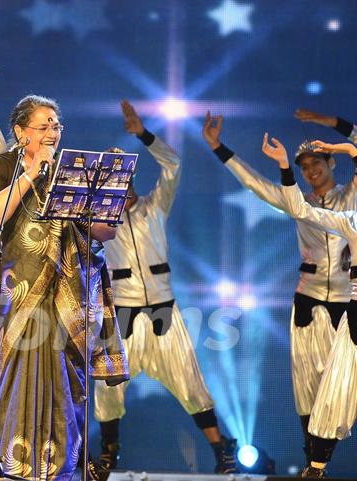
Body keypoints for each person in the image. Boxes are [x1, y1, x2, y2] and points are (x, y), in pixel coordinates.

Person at [0, 94, 129, 480]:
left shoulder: (74, 169)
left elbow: (104, 231)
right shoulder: (7, 166)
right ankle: (14, 467)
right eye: (43, 126)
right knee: (18, 379)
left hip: (68, 293)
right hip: (21, 294)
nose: (51, 133)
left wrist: (103, 205)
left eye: (55, 126)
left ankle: (63, 467)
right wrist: (31, 173)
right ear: (20, 131)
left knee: (65, 381)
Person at [202, 111, 357, 468]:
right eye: (304, 167)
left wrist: (329, 123)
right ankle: (313, 464)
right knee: (307, 388)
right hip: (309, 299)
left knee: (344, 387)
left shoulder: (350, 198)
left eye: (316, 162)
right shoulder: (296, 201)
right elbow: (255, 182)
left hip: (348, 302)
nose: (311, 170)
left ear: (331, 163)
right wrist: (217, 147)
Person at [93, 101, 236, 478]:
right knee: (108, 388)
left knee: (190, 384)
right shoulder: (96, 223)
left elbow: (173, 164)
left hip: (163, 311)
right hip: (121, 314)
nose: (116, 180)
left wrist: (143, 134)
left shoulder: (155, 206)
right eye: (108, 175)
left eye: (120, 173)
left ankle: (221, 449)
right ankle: (109, 451)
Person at [262, 135, 357, 479]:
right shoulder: (350, 221)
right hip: (353, 314)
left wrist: (344, 147)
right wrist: (286, 167)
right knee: (334, 394)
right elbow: (300, 209)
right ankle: (316, 469)